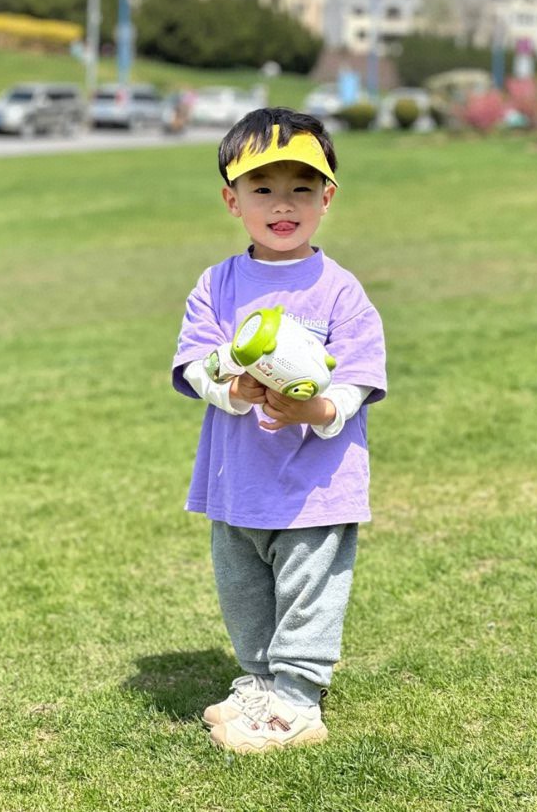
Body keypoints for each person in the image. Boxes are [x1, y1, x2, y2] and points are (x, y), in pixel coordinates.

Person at [172, 107, 386, 754]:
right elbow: (195, 364)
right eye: (262, 187)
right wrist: (230, 390)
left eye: (301, 187)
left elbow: (357, 378)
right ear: (232, 200)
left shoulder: (339, 290)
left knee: (307, 588)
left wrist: (315, 411)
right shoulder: (217, 284)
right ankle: (261, 680)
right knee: (243, 587)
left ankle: (297, 699)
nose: (283, 204)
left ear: (327, 197)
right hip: (238, 480)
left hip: (315, 484)